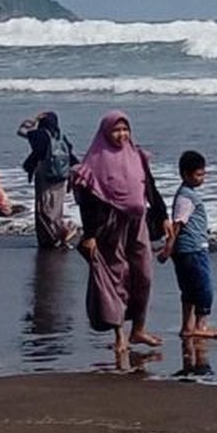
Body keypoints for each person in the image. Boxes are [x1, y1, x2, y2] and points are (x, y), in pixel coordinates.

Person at [71, 110, 171, 353]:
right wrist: (90, 235)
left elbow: (150, 187)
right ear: (106, 132)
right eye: (116, 130)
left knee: (143, 274)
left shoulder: (136, 155)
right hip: (110, 224)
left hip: (138, 222)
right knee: (116, 274)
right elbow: (88, 200)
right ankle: (120, 334)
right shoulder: (94, 161)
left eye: (125, 129)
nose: (121, 134)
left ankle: (138, 329)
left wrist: (163, 216)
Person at [158, 150, 217, 339]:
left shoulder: (186, 194)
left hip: (187, 249)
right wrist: (168, 247)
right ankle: (200, 325)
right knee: (203, 288)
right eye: (198, 175)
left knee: (189, 289)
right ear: (186, 174)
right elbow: (178, 224)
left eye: (203, 174)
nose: (202, 178)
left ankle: (187, 327)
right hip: (192, 248)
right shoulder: (186, 197)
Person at [18, 111, 78, 248]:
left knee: (43, 209)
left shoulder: (40, 134)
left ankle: (52, 238)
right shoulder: (61, 137)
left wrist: (32, 122)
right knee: (56, 209)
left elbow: (21, 132)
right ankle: (60, 233)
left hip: (45, 177)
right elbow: (71, 157)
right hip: (61, 178)